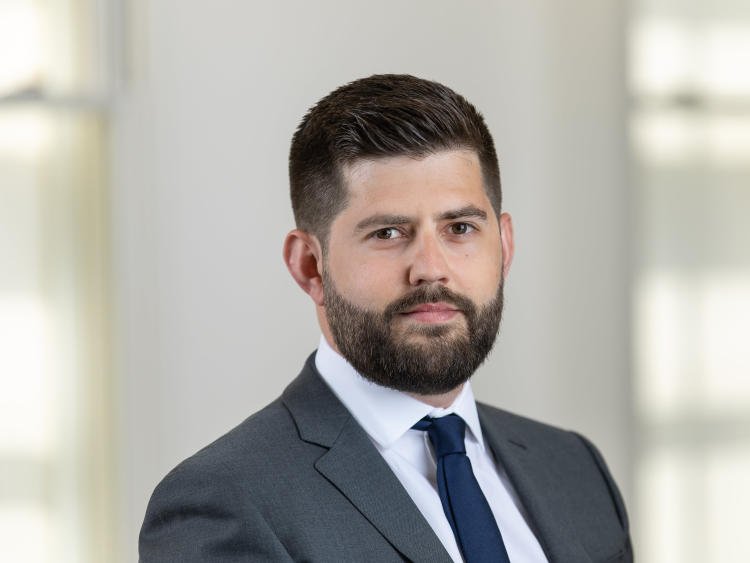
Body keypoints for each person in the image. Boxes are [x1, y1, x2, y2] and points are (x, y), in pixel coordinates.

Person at [139, 74, 632, 562]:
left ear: (503, 246)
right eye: (388, 234)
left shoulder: (575, 469)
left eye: (460, 228)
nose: (431, 269)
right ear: (310, 265)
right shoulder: (224, 503)